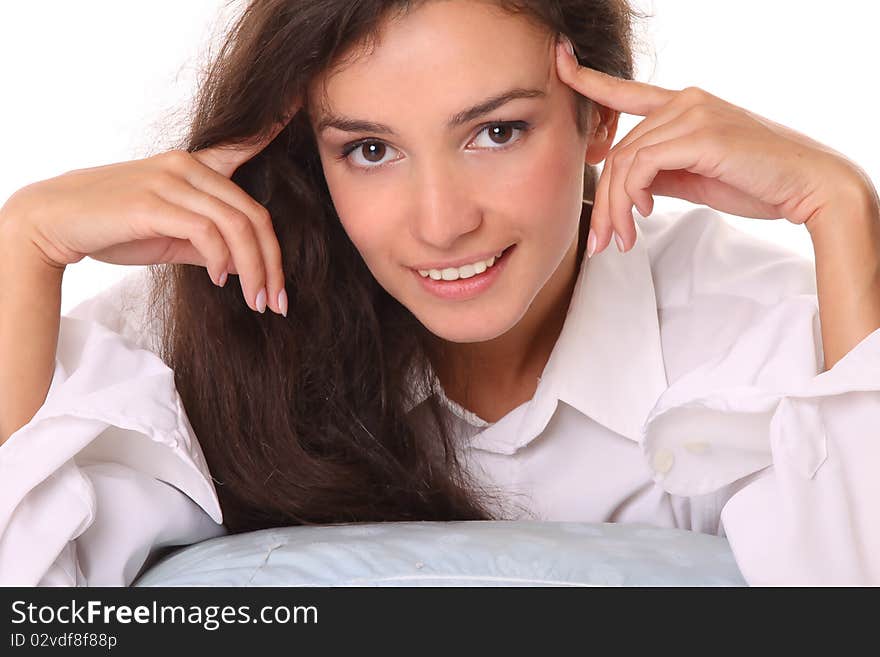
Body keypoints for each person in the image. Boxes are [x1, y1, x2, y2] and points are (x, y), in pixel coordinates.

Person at [1, 0, 878, 586]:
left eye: (497, 131)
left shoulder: (759, 333)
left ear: (598, 120)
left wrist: (843, 213)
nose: (440, 222)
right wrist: (24, 247)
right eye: (370, 150)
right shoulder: (205, 328)